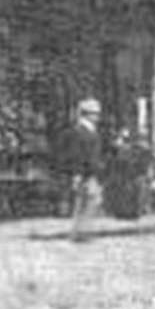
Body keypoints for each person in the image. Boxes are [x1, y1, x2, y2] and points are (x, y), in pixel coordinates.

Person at [64, 97, 103, 241]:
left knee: (90, 202)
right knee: (83, 203)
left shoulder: (91, 131)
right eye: (94, 113)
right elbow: (77, 154)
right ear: (86, 114)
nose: (97, 117)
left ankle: (84, 231)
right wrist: (77, 174)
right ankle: (80, 232)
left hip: (91, 172)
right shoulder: (79, 131)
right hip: (85, 172)